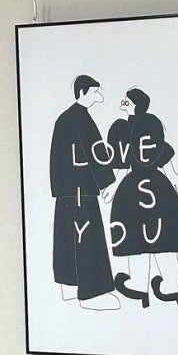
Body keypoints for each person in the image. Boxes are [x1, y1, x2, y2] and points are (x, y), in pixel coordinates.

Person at [103, 87, 178, 310]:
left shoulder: (122, 128)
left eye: (126, 101)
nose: (122, 103)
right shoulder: (152, 124)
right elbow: (162, 153)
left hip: (132, 188)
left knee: (134, 234)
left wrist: (114, 186)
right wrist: (173, 176)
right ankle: (175, 287)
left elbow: (123, 162)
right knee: (163, 236)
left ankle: (139, 285)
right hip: (158, 186)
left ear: (134, 105)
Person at [49, 75, 119, 310]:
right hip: (82, 190)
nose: (99, 96)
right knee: (87, 237)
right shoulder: (81, 119)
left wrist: (59, 191)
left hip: (67, 192)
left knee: (67, 236)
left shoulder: (63, 119)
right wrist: (107, 183)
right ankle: (92, 294)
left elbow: (55, 159)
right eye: (95, 92)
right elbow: (96, 152)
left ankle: (69, 287)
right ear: (83, 92)